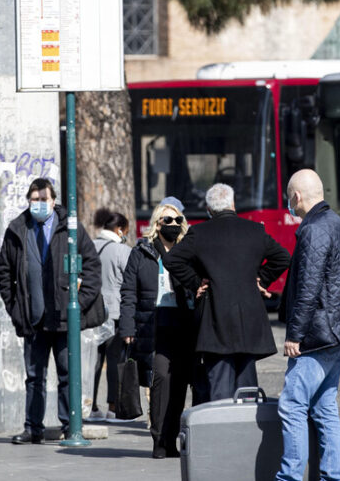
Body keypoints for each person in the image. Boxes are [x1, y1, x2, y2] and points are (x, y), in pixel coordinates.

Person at [277, 169, 340, 481]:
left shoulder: (314, 228)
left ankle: (289, 477)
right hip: (339, 331)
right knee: (323, 406)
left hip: (319, 334)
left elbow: (308, 286)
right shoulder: (336, 223)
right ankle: (333, 476)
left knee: (292, 404)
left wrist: (294, 335)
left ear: (296, 197)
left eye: (288, 197)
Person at [0, 178, 103, 444]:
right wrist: (15, 309)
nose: (39, 204)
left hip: (65, 316)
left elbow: (91, 266)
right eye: (35, 199)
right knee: (34, 377)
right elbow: (3, 271)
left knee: (68, 374)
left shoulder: (71, 228)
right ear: (28, 201)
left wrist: (81, 301)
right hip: (33, 318)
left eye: (44, 199)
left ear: (53, 201)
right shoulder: (17, 229)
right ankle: (33, 428)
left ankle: (70, 425)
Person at [168, 183, 290, 402]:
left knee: (220, 389)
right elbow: (282, 257)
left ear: (208, 208)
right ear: (233, 204)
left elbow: (172, 259)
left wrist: (196, 282)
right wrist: (261, 280)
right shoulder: (255, 230)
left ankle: (222, 434)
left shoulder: (199, 233)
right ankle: (247, 433)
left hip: (215, 319)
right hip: (249, 319)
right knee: (248, 387)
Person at [119, 200, 196, 459]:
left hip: (183, 324)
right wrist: (127, 326)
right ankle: (159, 439)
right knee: (161, 379)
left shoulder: (187, 251)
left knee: (180, 383)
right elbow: (128, 292)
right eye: (167, 220)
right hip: (155, 324)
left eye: (177, 220)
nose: (173, 225)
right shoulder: (141, 252)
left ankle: (171, 438)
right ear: (157, 224)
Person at [88, 209, 132, 422]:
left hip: (91, 313)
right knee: (115, 362)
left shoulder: (89, 247)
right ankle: (113, 407)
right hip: (114, 313)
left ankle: (90, 405)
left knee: (93, 363)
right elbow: (131, 281)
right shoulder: (121, 251)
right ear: (119, 229)